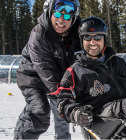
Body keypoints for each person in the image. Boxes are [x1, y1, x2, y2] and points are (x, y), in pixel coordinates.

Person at [14, 0, 82, 139]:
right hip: (33, 78)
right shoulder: (39, 33)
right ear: (50, 12)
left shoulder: (77, 34)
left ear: (73, 18)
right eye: (57, 14)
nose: (61, 20)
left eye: (67, 16)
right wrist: (64, 95)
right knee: (39, 112)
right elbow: (45, 68)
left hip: (60, 79)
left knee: (62, 115)